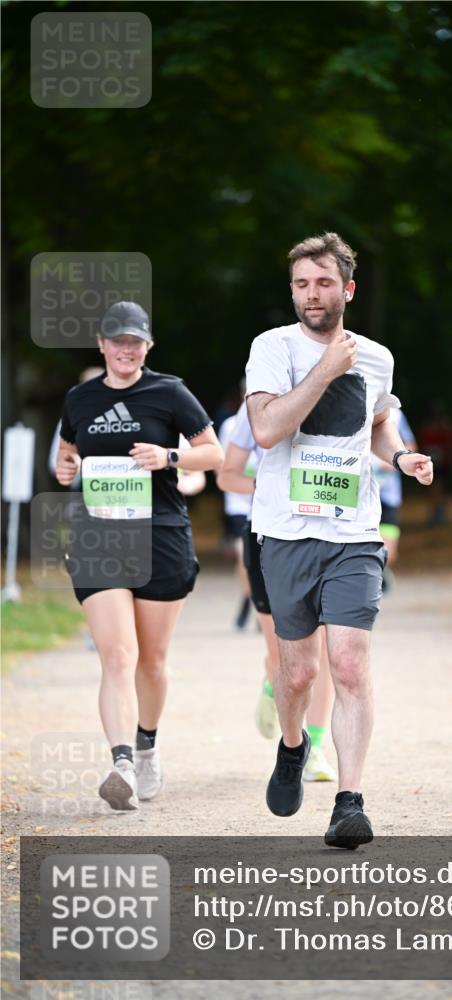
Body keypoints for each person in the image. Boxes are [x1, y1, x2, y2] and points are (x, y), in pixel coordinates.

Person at [245, 232, 433, 847]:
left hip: (353, 531)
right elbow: (268, 429)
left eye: (323, 282)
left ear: (347, 289)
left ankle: (349, 802)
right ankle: (293, 745)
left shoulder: (376, 358)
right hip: (285, 532)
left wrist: (401, 458)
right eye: (301, 284)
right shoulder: (272, 349)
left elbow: (376, 422)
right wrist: (324, 371)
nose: (311, 295)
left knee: (348, 663)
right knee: (296, 675)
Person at [55, 301, 223, 811]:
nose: (126, 350)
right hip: (98, 538)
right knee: (118, 656)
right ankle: (121, 763)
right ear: (102, 346)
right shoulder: (80, 398)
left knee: (151, 660)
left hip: (160, 535)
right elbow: (67, 451)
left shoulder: (168, 392)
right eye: (116, 341)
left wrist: (168, 456)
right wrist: (67, 470)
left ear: (147, 347)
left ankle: (147, 747)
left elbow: (213, 453)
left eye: (135, 342)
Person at [217, 401, 337, 781]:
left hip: (328, 535)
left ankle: (313, 746)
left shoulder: (342, 396)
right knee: (283, 655)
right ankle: (274, 682)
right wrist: (271, 486)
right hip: (268, 536)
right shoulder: (255, 407)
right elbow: (226, 476)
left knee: (325, 651)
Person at [218, 393, 255, 629]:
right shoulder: (231, 425)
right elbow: (221, 465)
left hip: (268, 503)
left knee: (264, 560)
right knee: (244, 557)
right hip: (239, 504)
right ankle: (248, 598)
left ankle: (255, 600)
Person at [371, 407, 417, 589]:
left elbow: (411, 445)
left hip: (388, 494)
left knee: (389, 552)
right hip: (360, 492)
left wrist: (397, 459)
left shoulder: (396, 414)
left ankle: (380, 571)